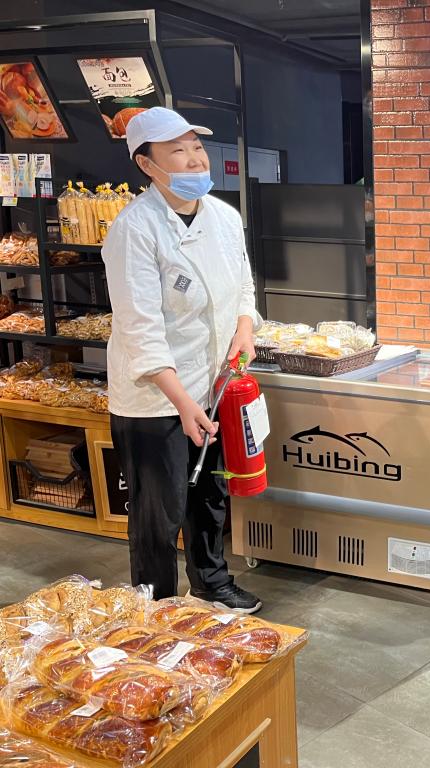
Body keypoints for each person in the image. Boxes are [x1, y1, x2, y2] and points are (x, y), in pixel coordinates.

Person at [103, 107, 263, 612]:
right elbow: (141, 328)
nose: (195, 160)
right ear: (147, 165)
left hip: (212, 385)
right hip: (155, 399)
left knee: (209, 496)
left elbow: (243, 286)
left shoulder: (224, 217)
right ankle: (154, 608)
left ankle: (211, 583)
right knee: (158, 512)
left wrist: (244, 330)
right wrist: (181, 402)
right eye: (178, 151)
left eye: (197, 147)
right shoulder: (134, 229)